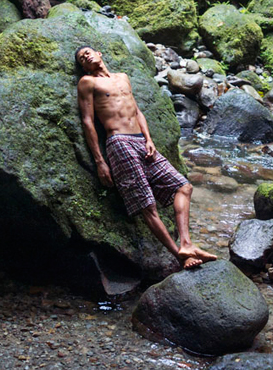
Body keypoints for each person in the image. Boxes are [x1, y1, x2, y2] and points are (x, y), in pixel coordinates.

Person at [76, 45, 217, 269]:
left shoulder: (123, 77)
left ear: (100, 53)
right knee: (146, 204)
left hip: (141, 141)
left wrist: (148, 138)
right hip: (119, 142)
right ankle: (178, 254)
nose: (86, 56)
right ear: (82, 66)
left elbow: (137, 111)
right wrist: (100, 161)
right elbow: (87, 121)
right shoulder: (87, 83)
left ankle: (187, 244)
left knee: (184, 187)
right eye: (82, 58)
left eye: (88, 52)